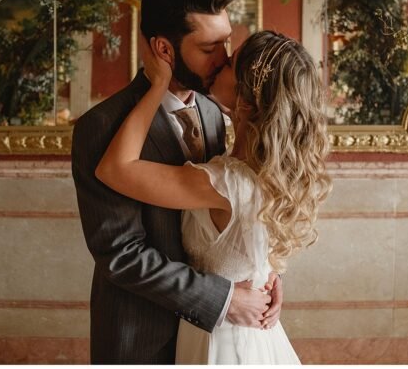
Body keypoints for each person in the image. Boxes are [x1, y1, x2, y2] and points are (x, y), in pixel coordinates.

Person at [71, 0, 279, 364]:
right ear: (164, 50)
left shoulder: (216, 111)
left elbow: (238, 210)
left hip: (219, 339)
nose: (224, 60)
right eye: (209, 48)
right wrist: (223, 299)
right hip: (142, 338)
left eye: (226, 43)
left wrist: (265, 273)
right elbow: (121, 254)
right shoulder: (101, 127)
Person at [96, 29, 332, 363]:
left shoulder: (225, 182)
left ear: (246, 102)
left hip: (222, 343)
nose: (218, 61)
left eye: (230, 63)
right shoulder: (272, 172)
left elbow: (115, 170)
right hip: (254, 333)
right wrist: (267, 276)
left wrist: (157, 84)